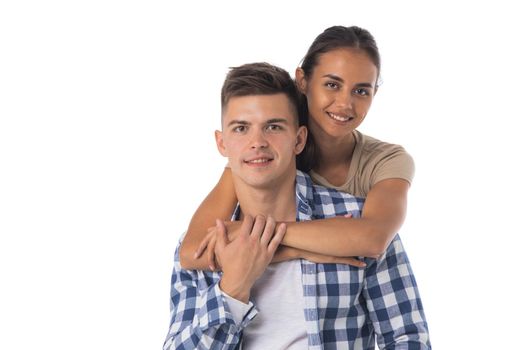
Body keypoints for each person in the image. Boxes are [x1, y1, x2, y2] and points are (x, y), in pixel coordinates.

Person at [163, 62, 430, 349]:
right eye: (241, 128)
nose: (257, 143)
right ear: (222, 143)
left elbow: (407, 338)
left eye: (273, 127)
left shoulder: (358, 222)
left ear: (299, 139)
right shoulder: (204, 243)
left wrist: (267, 240)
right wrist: (233, 288)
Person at [179, 25, 415, 271]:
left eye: (361, 91)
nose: (345, 103)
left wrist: (255, 235)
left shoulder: (387, 161)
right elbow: (191, 252)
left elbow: (373, 239)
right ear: (303, 81)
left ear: (375, 93)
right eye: (332, 85)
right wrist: (299, 250)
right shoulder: (272, 147)